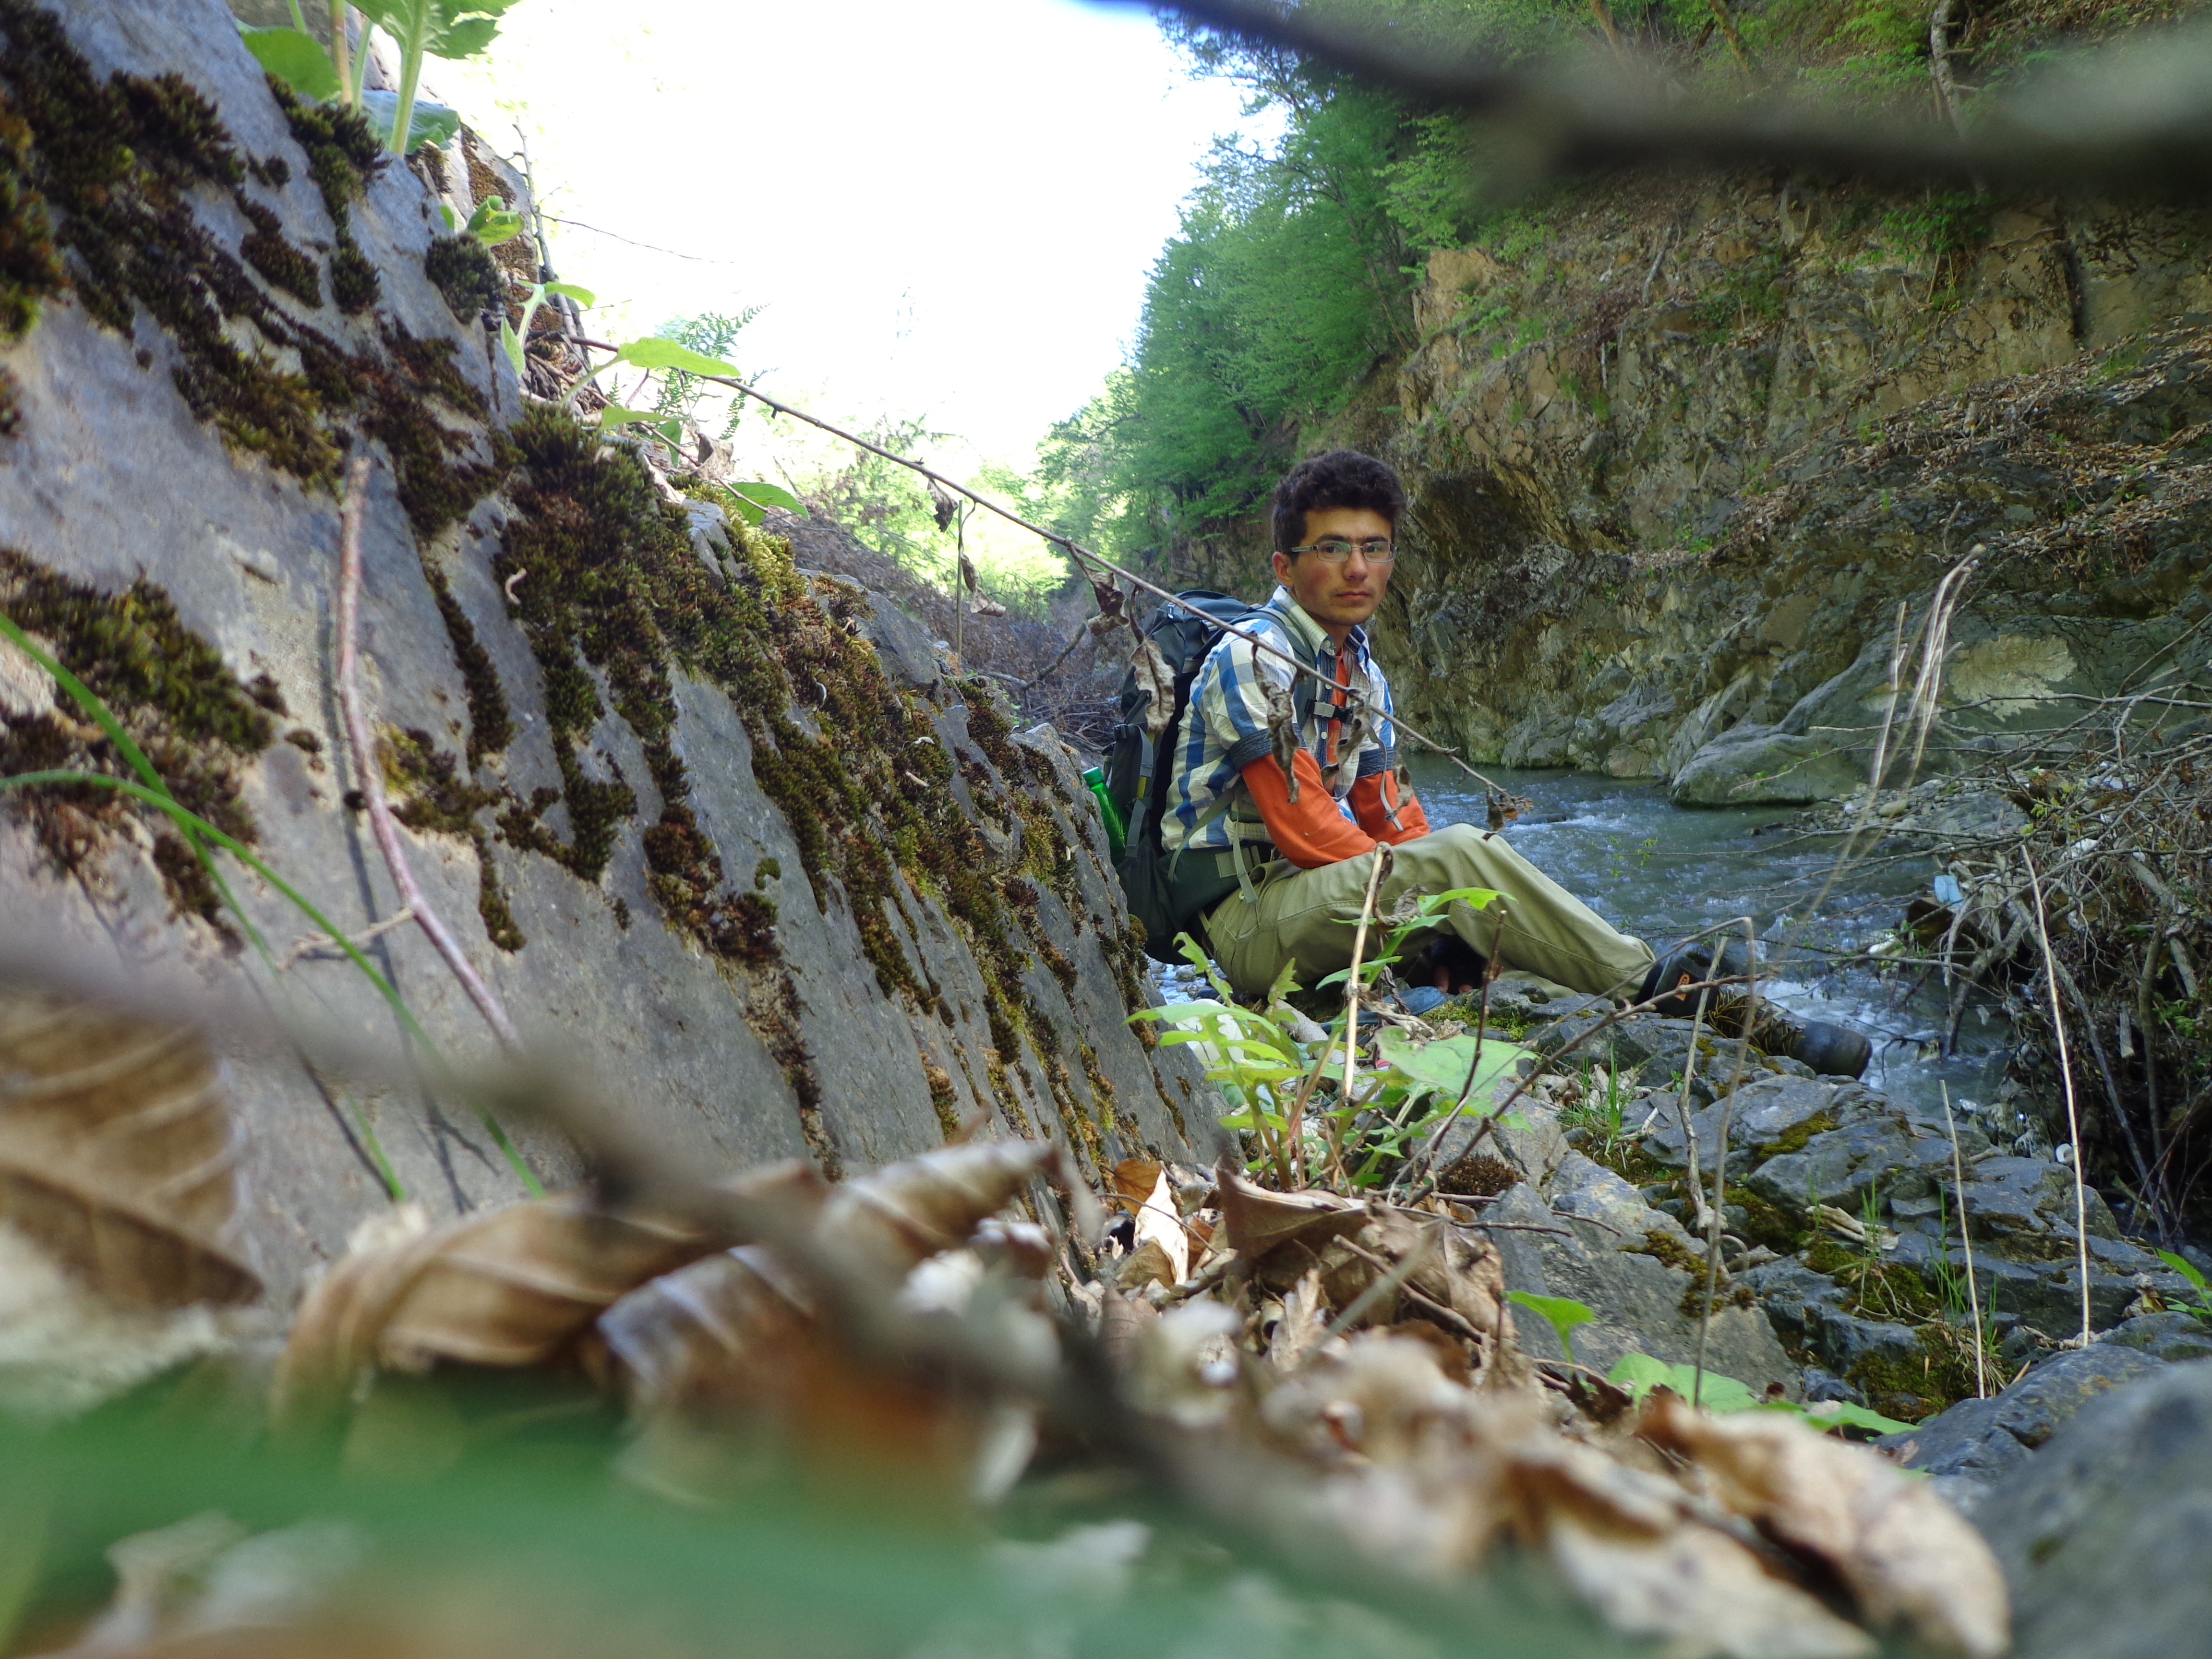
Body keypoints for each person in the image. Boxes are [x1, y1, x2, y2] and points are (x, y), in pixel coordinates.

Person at [1157, 449, 1870, 1077]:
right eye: (1333, 548)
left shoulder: (1360, 672)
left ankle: (1717, 1024)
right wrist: (1432, 912)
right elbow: (1305, 826)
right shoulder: (1252, 654)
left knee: (1515, 943)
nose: (1357, 568)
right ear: (1285, 566)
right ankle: (1665, 981)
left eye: (1376, 548)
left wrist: (1449, 915)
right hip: (1246, 921)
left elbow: (1391, 811)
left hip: (1318, 904)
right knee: (1467, 856)